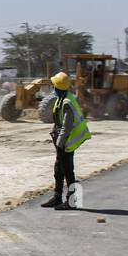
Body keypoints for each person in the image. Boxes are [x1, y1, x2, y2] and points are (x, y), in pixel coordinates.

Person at [40, 71, 90, 210]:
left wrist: (59, 142)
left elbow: (67, 126)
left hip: (67, 141)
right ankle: (57, 197)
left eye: (54, 85)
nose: (53, 88)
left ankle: (72, 201)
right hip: (62, 141)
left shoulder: (67, 101)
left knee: (68, 171)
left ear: (57, 88)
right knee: (58, 170)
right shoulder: (61, 99)